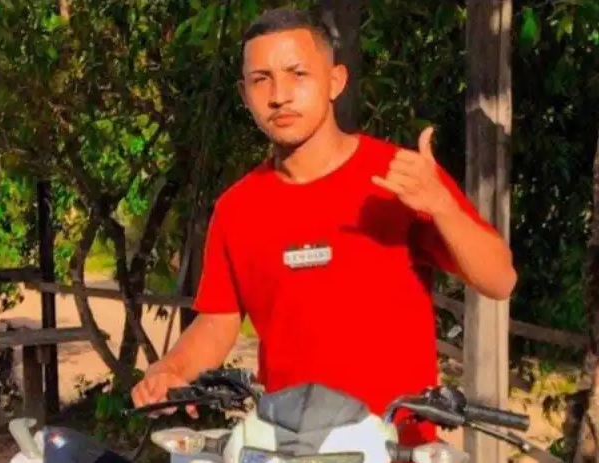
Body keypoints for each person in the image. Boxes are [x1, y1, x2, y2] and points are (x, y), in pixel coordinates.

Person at [132, 7, 517, 445]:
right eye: (261, 79)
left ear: (335, 80)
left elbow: (500, 279)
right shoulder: (237, 208)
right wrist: (173, 369)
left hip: (396, 445)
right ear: (244, 94)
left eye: (297, 74)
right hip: (289, 445)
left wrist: (442, 205)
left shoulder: (400, 178)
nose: (279, 95)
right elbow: (217, 323)